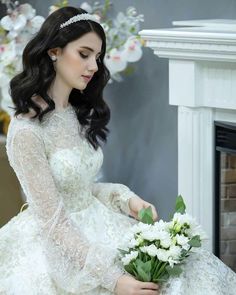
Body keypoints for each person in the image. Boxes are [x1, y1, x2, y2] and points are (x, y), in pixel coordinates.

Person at [0, 6, 235, 295]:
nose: (94, 66)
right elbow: (54, 221)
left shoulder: (74, 112)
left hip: (97, 222)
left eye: (97, 57)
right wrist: (113, 279)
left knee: (188, 267)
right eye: (84, 54)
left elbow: (81, 190)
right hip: (60, 243)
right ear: (54, 52)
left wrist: (127, 199)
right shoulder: (26, 131)